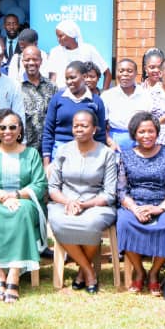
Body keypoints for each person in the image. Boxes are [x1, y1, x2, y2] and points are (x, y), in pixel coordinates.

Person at [0, 109, 48, 302]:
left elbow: (39, 185)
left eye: (13, 127)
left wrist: (16, 195)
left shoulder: (31, 154)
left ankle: (14, 275)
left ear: (20, 130)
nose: (8, 131)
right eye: (2, 127)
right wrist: (3, 198)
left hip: (23, 199)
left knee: (21, 212)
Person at [117, 112, 165, 296]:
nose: (146, 135)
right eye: (141, 132)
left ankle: (155, 272)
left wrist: (160, 208)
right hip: (136, 204)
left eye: (150, 131)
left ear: (157, 132)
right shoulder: (125, 156)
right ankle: (139, 271)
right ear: (134, 134)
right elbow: (122, 190)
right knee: (123, 222)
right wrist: (135, 208)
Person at [48, 109, 118, 293]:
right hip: (63, 203)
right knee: (60, 223)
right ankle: (88, 270)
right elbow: (53, 187)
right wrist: (68, 202)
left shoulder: (106, 154)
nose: (79, 129)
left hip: (96, 204)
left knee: (90, 223)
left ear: (94, 129)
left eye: (84, 126)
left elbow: (110, 193)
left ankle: (81, 272)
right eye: (76, 126)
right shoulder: (63, 150)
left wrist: (84, 205)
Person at [41, 61, 107, 166]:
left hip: (88, 151)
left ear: (84, 76)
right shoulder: (58, 99)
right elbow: (48, 132)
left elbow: (101, 134)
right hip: (60, 150)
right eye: (67, 78)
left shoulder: (96, 101)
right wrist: (46, 164)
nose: (69, 81)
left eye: (72, 77)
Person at [43, 20, 111, 89]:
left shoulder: (88, 50)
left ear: (70, 34)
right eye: (57, 36)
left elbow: (107, 73)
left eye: (61, 36)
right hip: (61, 95)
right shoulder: (55, 52)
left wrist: (104, 94)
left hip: (83, 95)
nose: (58, 39)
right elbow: (52, 77)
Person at [102, 59, 150, 152]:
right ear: (116, 73)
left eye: (129, 71)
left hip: (140, 142)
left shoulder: (146, 95)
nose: (125, 74)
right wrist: (110, 142)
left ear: (136, 73)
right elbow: (102, 125)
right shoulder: (107, 96)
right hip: (115, 142)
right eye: (121, 71)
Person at [18, 45, 57, 155]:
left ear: (41, 61)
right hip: (24, 147)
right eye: (27, 60)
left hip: (47, 147)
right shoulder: (15, 87)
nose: (31, 63)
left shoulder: (52, 86)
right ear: (22, 62)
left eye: (35, 59)